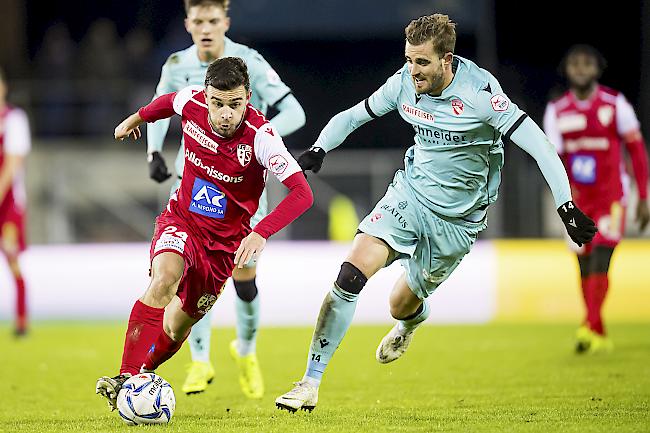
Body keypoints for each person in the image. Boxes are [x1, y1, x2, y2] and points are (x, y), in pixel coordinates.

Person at [274, 14, 597, 412]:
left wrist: (565, 206)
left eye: (422, 62)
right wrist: (321, 148)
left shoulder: (481, 94)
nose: (413, 71)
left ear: (447, 59)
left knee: (399, 304)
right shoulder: (403, 83)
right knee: (351, 271)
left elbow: (540, 146)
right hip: (410, 194)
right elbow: (355, 115)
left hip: (458, 221)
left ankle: (410, 321)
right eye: (409, 60)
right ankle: (309, 382)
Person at [95, 57, 313, 412]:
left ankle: (142, 376)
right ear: (207, 96)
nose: (225, 114)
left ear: (248, 98)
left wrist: (260, 232)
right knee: (164, 278)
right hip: (182, 220)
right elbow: (166, 102)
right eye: (218, 103)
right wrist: (136, 118)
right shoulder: (192, 101)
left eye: (235, 104)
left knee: (178, 328)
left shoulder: (262, 138)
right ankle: (125, 377)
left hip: (223, 249)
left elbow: (303, 194)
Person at [147, 0, 306, 398]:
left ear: (225, 22)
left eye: (213, 20)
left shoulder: (248, 61)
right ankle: (200, 362)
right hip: (194, 180)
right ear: (187, 23)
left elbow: (296, 113)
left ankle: (246, 352)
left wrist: (260, 140)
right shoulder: (175, 66)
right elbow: (161, 107)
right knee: (189, 273)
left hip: (240, 188)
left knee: (244, 277)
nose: (205, 28)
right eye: (198, 20)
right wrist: (153, 152)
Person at [543, 45, 649, 354]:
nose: (580, 68)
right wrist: (563, 200)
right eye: (574, 63)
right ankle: (597, 329)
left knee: (602, 258)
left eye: (587, 63)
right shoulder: (556, 111)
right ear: (566, 69)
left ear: (597, 69)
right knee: (585, 265)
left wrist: (643, 196)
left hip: (612, 197)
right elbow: (554, 159)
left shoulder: (615, 105)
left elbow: (637, 151)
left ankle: (587, 325)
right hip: (576, 201)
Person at [0, 68, 31, 337]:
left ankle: (22, 319)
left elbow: (12, 166)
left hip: (8, 205)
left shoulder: (14, 120)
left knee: (11, 256)